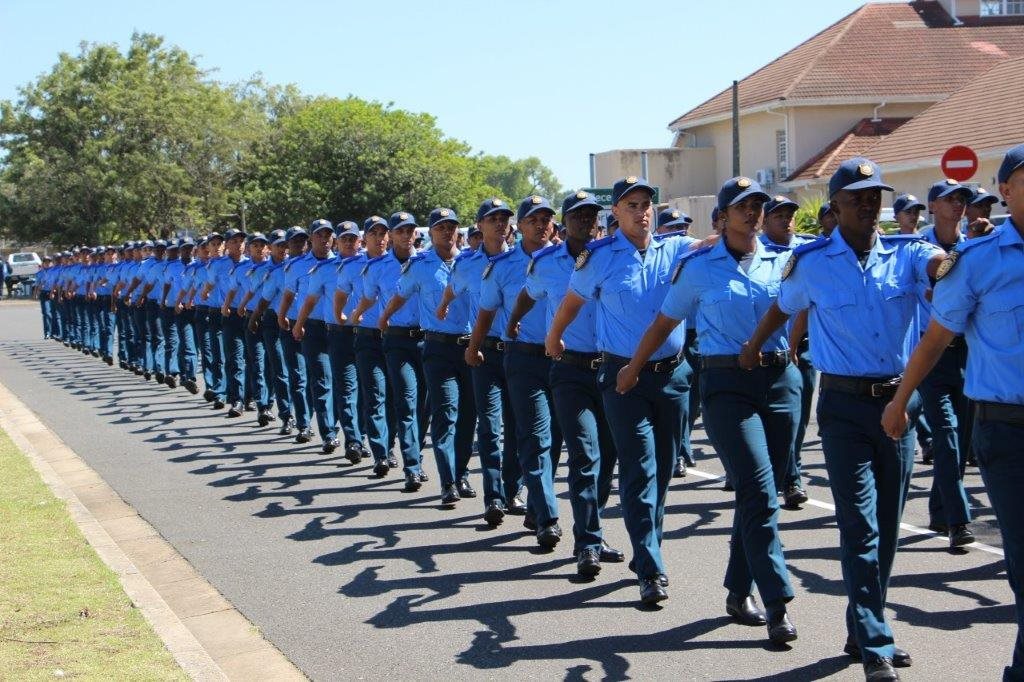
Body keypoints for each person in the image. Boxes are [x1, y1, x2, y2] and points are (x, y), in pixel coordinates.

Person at [740, 157, 947, 680]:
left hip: (897, 403)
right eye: (857, 197)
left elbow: (936, 262)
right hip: (843, 408)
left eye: (875, 196)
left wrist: (946, 259)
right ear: (834, 207)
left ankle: (862, 623)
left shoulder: (905, 254)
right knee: (859, 527)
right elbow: (783, 306)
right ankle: (876, 641)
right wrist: (756, 346)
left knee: (888, 528)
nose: (869, 205)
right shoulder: (812, 263)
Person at [620, 176, 798, 645]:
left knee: (765, 493)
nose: (752, 212)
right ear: (722, 216)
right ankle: (777, 601)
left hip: (781, 382)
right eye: (742, 205)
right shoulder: (698, 267)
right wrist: (634, 367)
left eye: (758, 204)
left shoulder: (785, 261)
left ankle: (738, 591)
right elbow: (665, 321)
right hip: (726, 384)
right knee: (758, 490)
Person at [882, 142, 1024, 682]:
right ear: (1006, 192)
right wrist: (900, 400)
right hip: (1008, 431)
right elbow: (936, 337)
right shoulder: (979, 262)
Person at [545, 176, 698, 604]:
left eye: (647, 203)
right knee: (639, 470)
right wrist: (554, 336)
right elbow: (572, 303)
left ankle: (648, 548)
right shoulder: (599, 257)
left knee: (664, 473)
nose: (642, 211)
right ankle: (649, 566)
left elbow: (716, 249)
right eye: (631, 205)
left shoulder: (678, 249)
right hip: (622, 378)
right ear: (615, 212)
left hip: (673, 377)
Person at [508, 190, 623, 575]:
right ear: (564, 222)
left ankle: (595, 526)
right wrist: (513, 321)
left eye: (592, 214)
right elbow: (527, 295)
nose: (587, 221)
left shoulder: (613, 254)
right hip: (569, 369)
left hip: (610, 367)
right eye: (578, 215)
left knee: (608, 457)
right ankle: (587, 540)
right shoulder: (546, 263)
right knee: (583, 454)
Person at [469, 195, 562, 545]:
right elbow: (485, 312)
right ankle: (540, 514)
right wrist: (474, 348)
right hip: (521, 358)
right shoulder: (503, 267)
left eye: (546, 219)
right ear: (520, 227)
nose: (541, 224)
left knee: (554, 440)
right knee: (532, 436)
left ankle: (536, 505)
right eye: (533, 219)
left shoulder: (568, 261)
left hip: (562, 360)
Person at [382, 208, 479, 509]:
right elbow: (401, 293)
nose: (446, 232)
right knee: (445, 412)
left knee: (467, 416)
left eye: (451, 226)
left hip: (470, 346)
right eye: (440, 227)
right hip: (437, 347)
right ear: (431, 233)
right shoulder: (420, 265)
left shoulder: (472, 262)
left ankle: (462, 473)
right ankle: (447, 481)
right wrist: (385, 316)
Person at [914, 179, 987, 547]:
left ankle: (940, 511)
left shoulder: (974, 248)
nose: (958, 205)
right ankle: (959, 521)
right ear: (932, 206)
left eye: (962, 199)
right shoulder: (917, 249)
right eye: (949, 199)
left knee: (959, 438)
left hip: (966, 353)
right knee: (945, 435)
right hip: (930, 355)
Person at [440, 198, 524, 514]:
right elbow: (453, 287)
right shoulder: (467, 264)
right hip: (484, 351)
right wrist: (443, 304)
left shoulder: (522, 261)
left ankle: (513, 489)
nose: (500, 224)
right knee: (490, 426)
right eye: (493, 219)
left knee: (518, 426)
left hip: (519, 353)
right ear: (479, 226)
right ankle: (493, 497)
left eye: (504, 219)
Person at [353, 212, 430, 490]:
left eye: (411, 230)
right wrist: (355, 315)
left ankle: (416, 453)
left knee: (425, 405)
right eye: (400, 231)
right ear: (392, 236)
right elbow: (368, 298)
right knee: (405, 400)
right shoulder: (376, 268)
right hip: (396, 340)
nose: (407, 235)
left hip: (428, 340)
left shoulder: (427, 262)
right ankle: (411, 465)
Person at [759, 195, 815, 507]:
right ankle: (786, 476)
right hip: (768, 349)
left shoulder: (808, 249)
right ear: (765, 221)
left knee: (798, 417)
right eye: (778, 215)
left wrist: (795, 345)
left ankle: (789, 472)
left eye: (790, 214)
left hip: (802, 348)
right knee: (771, 421)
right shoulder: (756, 251)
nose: (786, 220)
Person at [335, 216, 397, 476]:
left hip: (396, 337)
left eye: (384, 233)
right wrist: (341, 316)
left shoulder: (401, 263)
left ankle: (390, 445)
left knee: (395, 396)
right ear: (366, 239)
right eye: (375, 234)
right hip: (365, 336)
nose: (380, 238)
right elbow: (339, 296)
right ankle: (379, 452)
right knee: (374, 395)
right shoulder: (353, 267)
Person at [892, 193, 935, 465]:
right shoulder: (893, 248)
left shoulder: (927, 245)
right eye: (908, 211)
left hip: (935, 332)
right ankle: (928, 439)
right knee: (915, 390)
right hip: (912, 335)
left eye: (917, 210)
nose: (913, 215)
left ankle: (928, 438)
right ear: (896, 216)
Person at [656, 208, 699, 477]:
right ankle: (679, 451)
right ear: (660, 232)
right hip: (666, 338)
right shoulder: (661, 258)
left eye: (682, 228)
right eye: (672, 229)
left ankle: (682, 444)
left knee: (692, 401)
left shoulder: (696, 258)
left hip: (696, 335)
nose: (678, 233)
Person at [276, 226, 315, 443]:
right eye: (295, 241)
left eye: (302, 241)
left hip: (313, 325)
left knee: (315, 378)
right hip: (289, 324)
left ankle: (315, 417)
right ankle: (303, 424)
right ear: (287, 245)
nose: (300, 245)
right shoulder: (284, 268)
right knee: (298, 377)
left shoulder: (319, 263)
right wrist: (282, 317)